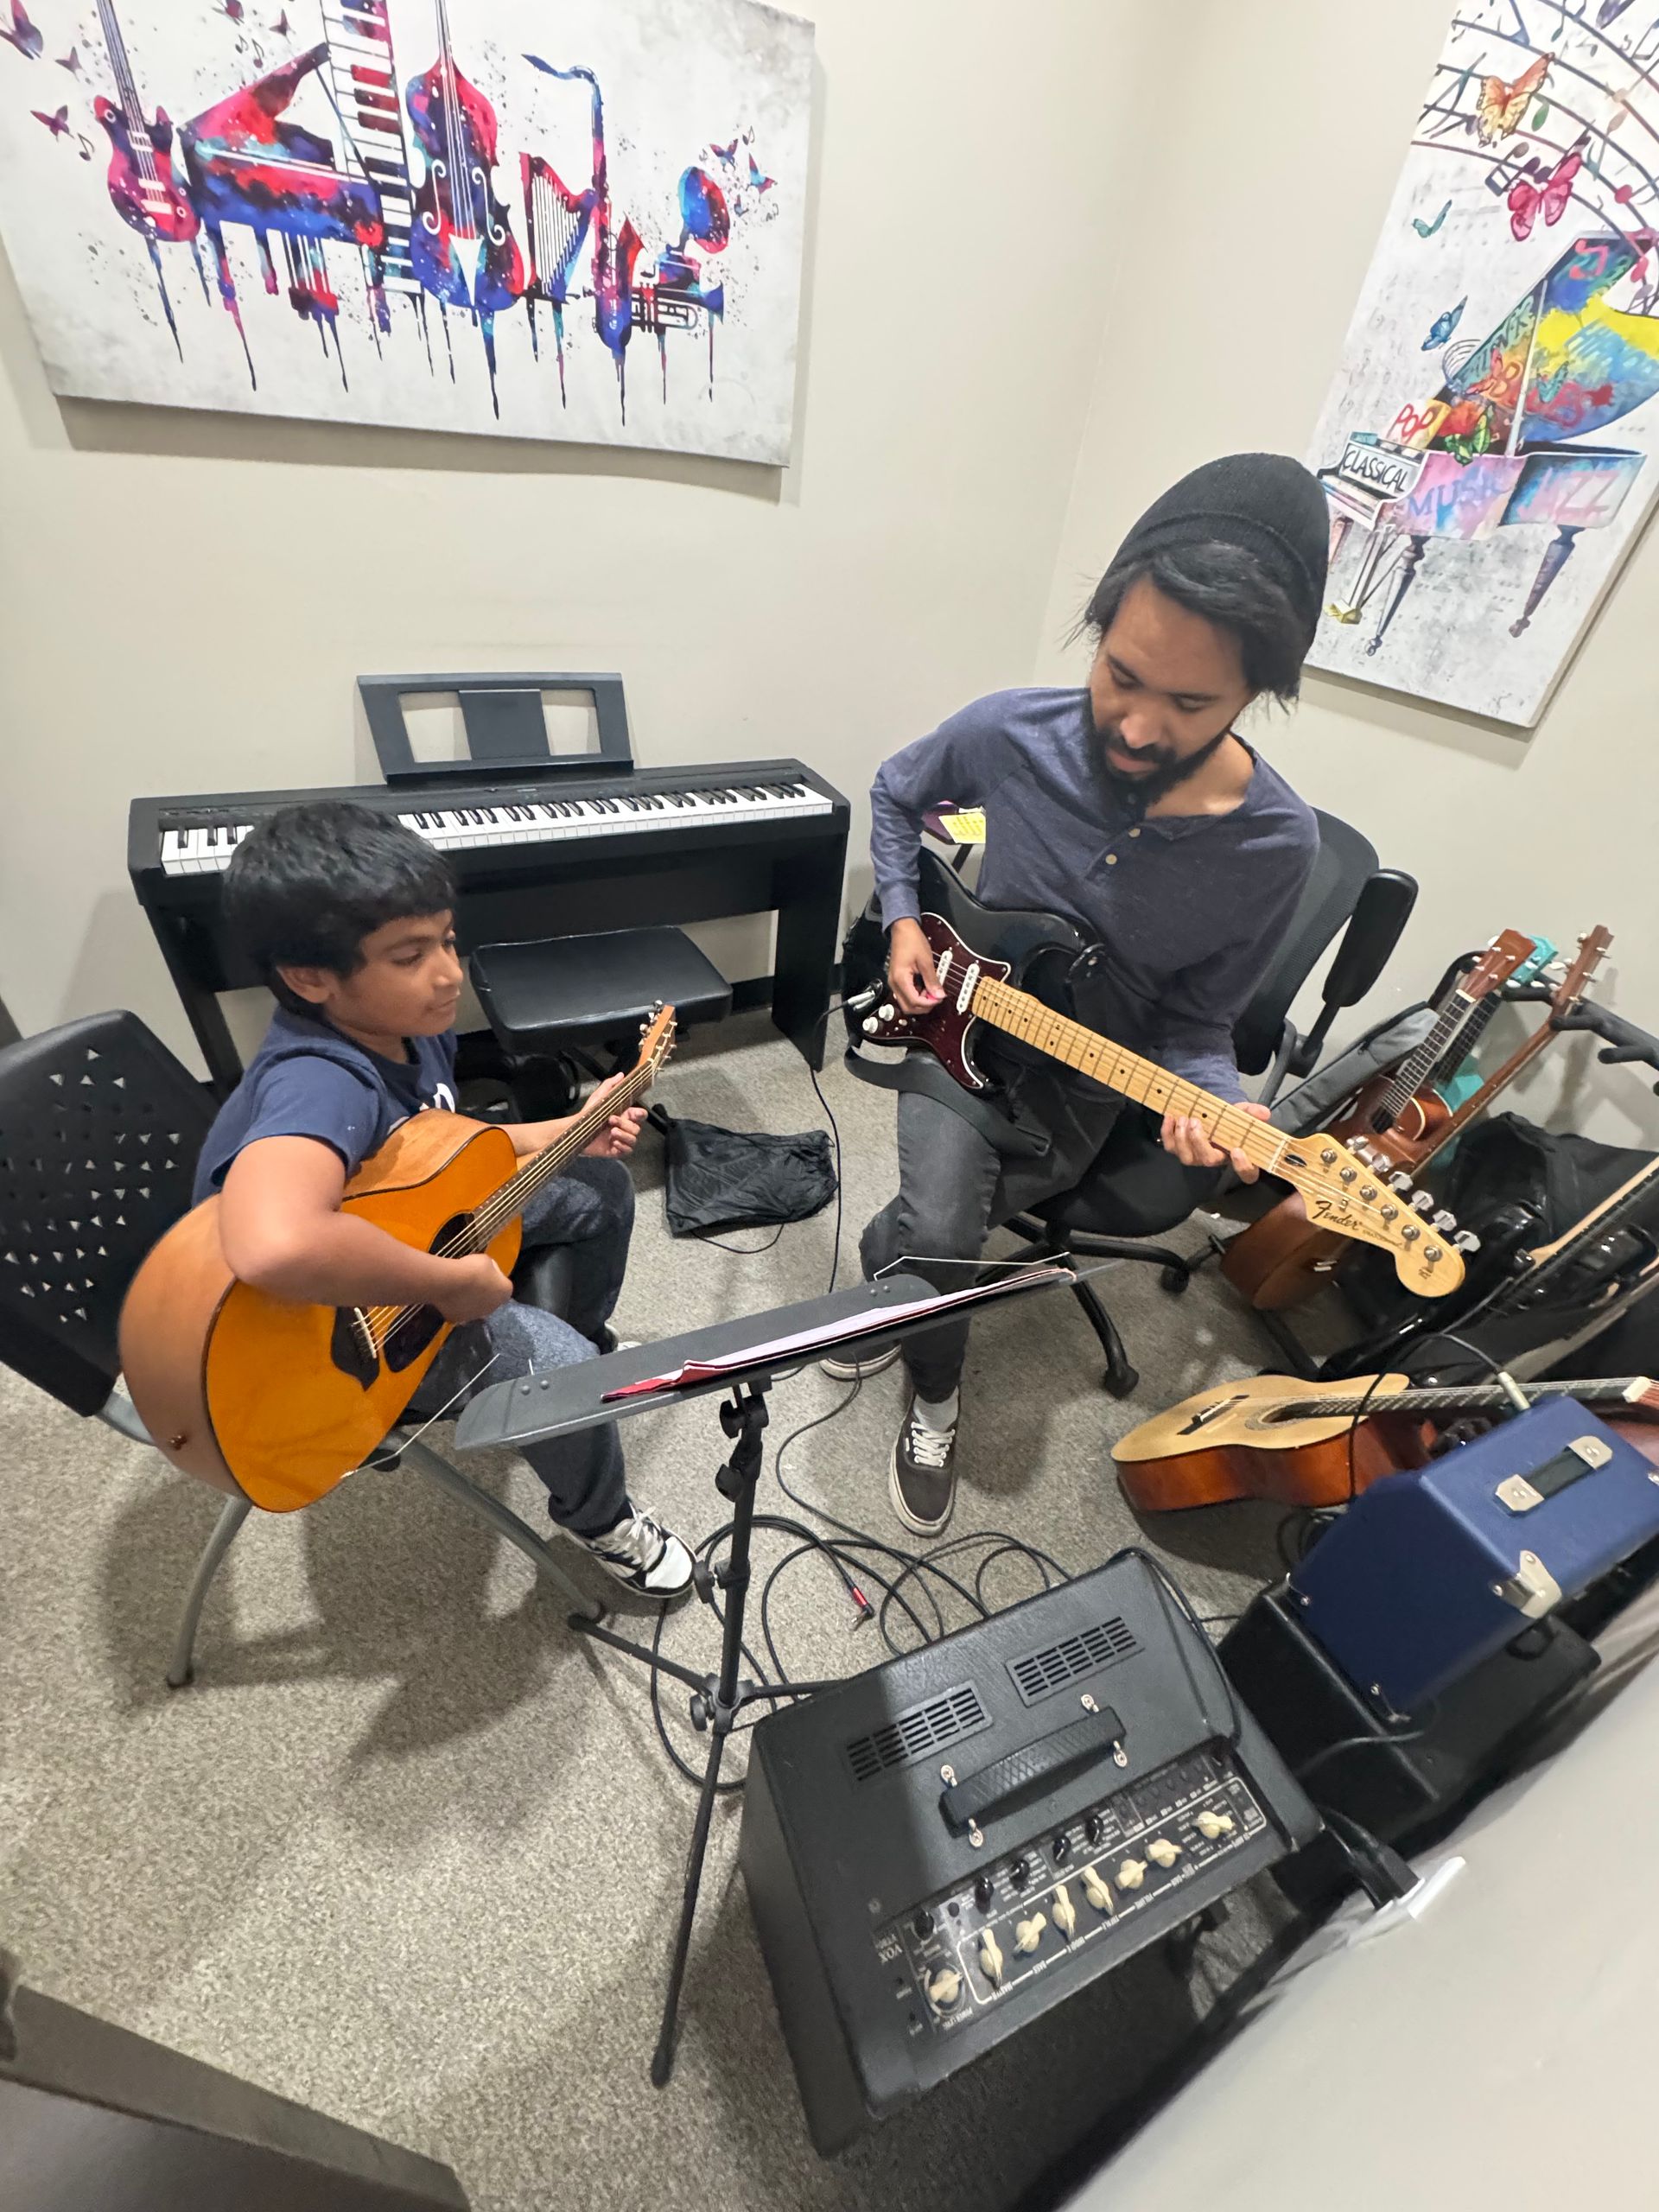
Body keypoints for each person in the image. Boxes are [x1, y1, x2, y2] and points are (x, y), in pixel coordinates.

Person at [841, 452, 1331, 1536]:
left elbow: (1199, 1024)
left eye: (1191, 700)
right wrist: (905, 923)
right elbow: (892, 791)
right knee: (940, 1224)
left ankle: (897, 1280)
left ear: (1259, 691)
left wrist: (1215, 1100)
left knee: (935, 1235)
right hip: (956, 1022)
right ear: (1101, 631)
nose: (1140, 724)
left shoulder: (1275, 847)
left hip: (1084, 1088)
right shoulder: (1009, 729)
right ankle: (935, 1394)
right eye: (1121, 673)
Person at [192, 798, 694, 1599]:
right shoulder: (319, 1080)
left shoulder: (414, 1024)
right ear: (310, 977)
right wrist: (446, 1285)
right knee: (555, 1369)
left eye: (448, 940)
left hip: (402, 1245)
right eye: (408, 954)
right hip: (335, 1340)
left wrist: (574, 1127)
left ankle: (583, 1341)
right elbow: (273, 1245)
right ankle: (602, 1519)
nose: (449, 972)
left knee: (598, 1185)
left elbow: (441, 1148)